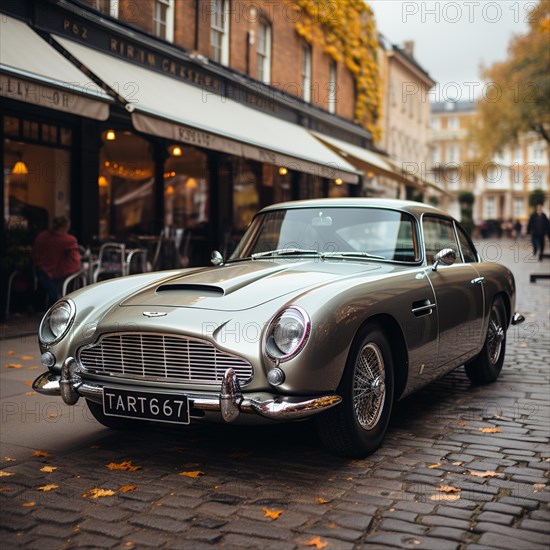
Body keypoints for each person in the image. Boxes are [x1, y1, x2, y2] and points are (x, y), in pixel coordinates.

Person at [32, 216, 81, 304]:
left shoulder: (41, 237)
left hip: (41, 270)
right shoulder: (68, 240)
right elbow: (75, 259)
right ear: (65, 227)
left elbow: (34, 254)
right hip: (60, 272)